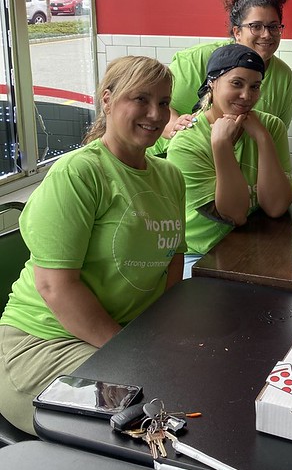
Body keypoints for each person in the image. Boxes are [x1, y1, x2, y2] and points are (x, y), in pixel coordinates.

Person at [0, 56, 186, 434]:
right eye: (140, 99)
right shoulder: (79, 173)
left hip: (123, 337)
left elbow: (173, 260)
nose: (155, 114)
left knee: (187, 389)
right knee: (145, 422)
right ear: (108, 100)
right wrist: (135, 353)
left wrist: (161, 337)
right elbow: (56, 287)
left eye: (164, 102)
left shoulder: (169, 176)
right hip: (46, 343)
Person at [166, 43, 292, 278]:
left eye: (255, 87)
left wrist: (263, 139)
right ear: (212, 83)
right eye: (236, 83)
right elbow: (234, 215)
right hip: (200, 254)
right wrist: (221, 145)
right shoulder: (186, 142)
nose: (246, 96)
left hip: (257, 242)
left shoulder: (271, 127)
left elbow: (276, 207)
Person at [153, 0, 292, 153]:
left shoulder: (283, 76)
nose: (266, 35)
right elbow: (157, 106)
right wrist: (175, 126)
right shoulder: (196, 60)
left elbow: (275, 133)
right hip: (175, 156)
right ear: (237, 32)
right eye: (256, 26)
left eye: (273, 27)